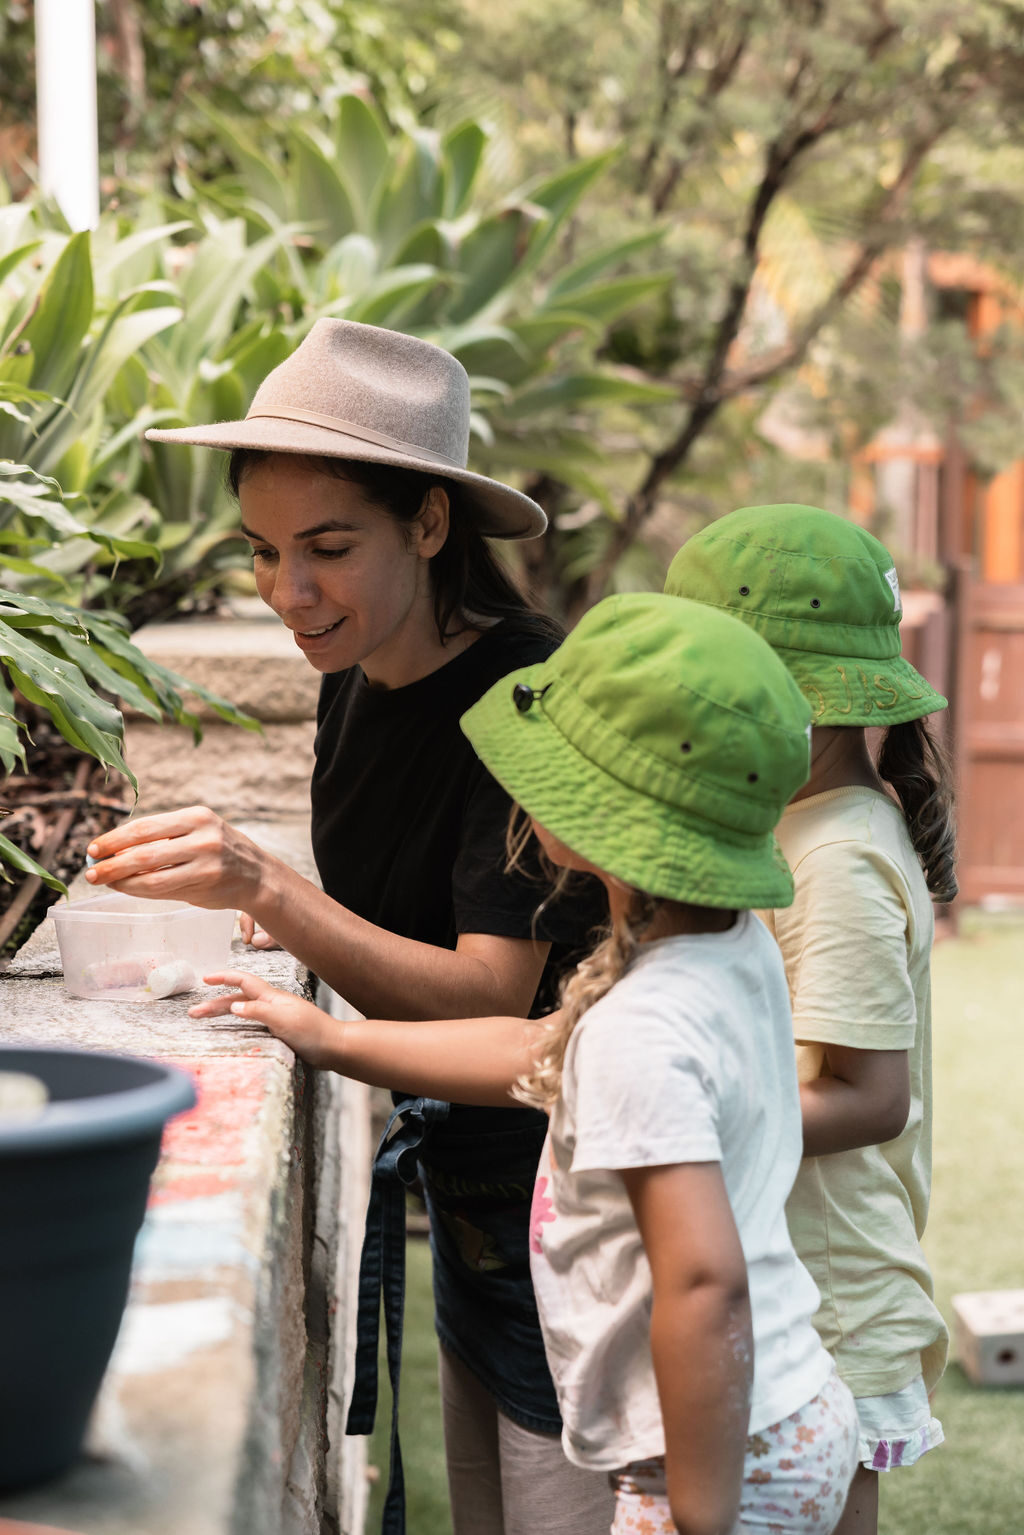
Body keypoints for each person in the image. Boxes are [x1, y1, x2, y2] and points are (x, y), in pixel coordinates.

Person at [84, 319, 612, 1535]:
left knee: (559, 1502)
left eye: (329, 547)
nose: (289, 592)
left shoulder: (522, 695)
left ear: (431, 523)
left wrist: (275, 892)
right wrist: (292, 927)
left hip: (574, 1192)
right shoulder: (354, 664)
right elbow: (396, 911)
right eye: (264, 551)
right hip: (474, 1185)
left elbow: (495, 990)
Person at [195, 591, 861, 1535]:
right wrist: (333, 1038)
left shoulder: (645, 1024)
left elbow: (705, 1280)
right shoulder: (720, 947)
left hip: (719, 1457)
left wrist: (694, 1509)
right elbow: (542, 1052)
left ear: (601, 816)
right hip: (790, 1404)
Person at [665, 504, 952, 1535]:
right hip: (782, 1267)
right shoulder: (800, 824)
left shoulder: (833, 856)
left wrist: (682, 1122)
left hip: (828, 1290)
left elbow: (871, 1097)